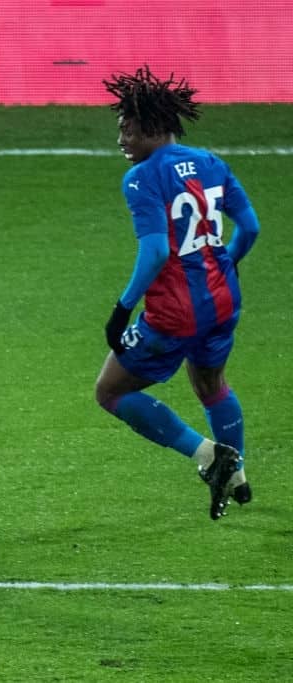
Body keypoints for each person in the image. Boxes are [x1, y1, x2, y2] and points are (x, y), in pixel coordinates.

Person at [95, 67, 260, 520]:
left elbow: (155, 251)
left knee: (110, 392)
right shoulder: (211, 163)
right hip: (223, 300)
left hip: (173, 314)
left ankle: (208, 455)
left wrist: (122, 308)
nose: (121, 140)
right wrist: (227, 262)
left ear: (152, 126)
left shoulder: (142, 179)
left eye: (127, 129)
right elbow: (251, 227)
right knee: (211, 384)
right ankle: (237, 474)